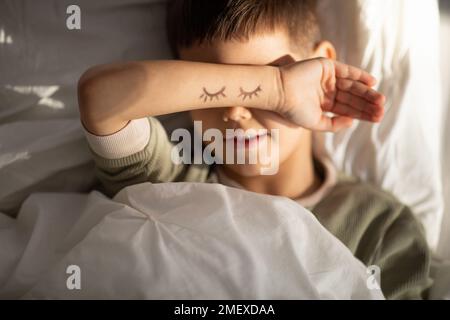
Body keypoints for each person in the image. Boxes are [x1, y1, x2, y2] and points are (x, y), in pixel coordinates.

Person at [77, 0, 432, 299]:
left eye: (260, 74)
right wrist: (276, 87)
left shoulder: (382, 226)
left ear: (321, 67)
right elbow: (98, 97)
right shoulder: (167, 184)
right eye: (215, 85)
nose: (234, 110)